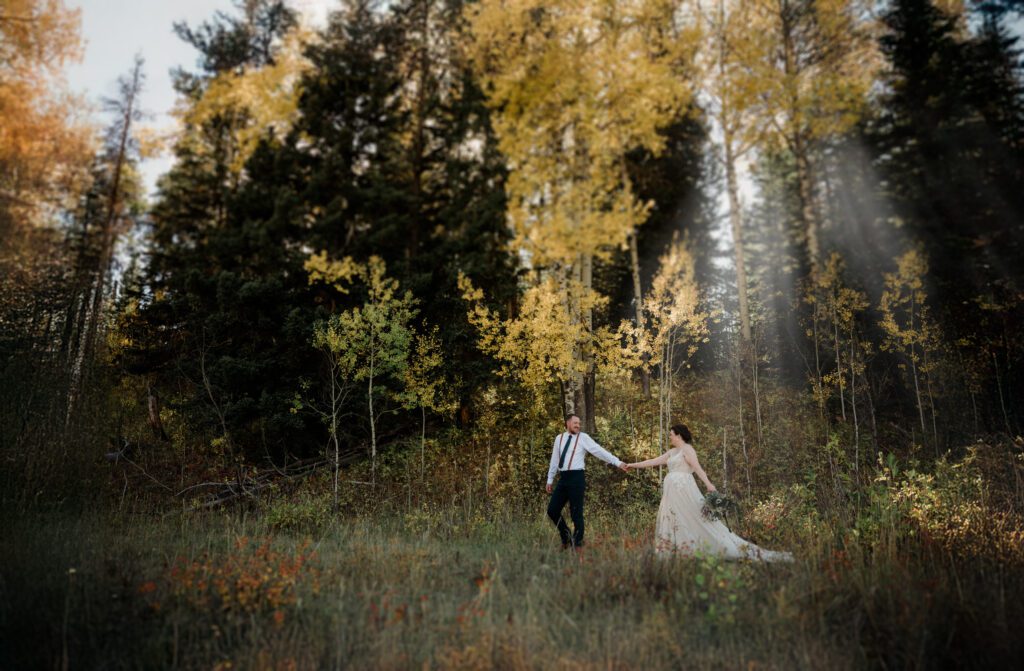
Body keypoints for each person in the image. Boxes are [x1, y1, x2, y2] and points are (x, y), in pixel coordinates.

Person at [626, 423, 793, 562]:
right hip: (672, 494)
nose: (669, 437)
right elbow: (653, 461)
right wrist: (633, 465)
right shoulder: (672, 452)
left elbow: (698, 469)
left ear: (679, 435)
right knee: (674, 517)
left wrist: (709, 484)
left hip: (684, 490)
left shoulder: (688, 450)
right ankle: (676, 549)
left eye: (671, 434)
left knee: (695, 517)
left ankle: (717, 546)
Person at [546, 414, 629, 550]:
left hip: (577, 478)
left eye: (579, 423)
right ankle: (566, 537)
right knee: (552, 510)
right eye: (575, 423)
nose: (578, 425)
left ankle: (577, 544)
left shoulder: (583, 438)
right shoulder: (559, 439)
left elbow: (599, 451)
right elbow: (554, 460)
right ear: (567, 423)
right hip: (563, 479)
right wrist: (550, 479)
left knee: (576, 513)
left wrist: (617, 462)